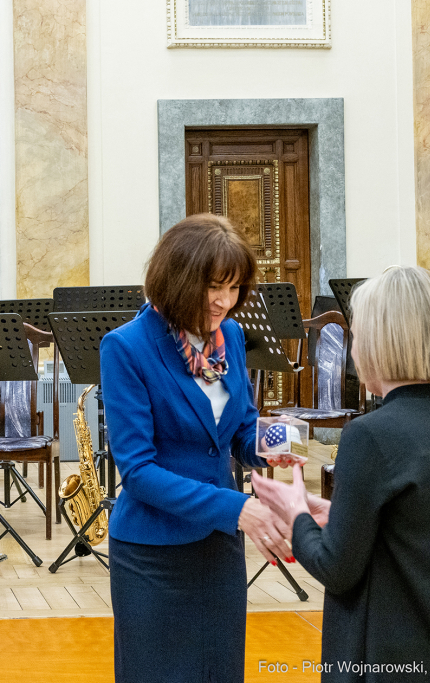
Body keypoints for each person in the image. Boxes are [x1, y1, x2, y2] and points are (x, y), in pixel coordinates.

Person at [252, 266, 430, 682]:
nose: (352, 351)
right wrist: (340, 513)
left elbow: (335, 568)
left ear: (382, 342)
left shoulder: (371, 435)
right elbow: (426, 531)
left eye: (359, 335)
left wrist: (296, 514)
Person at [100, 213, 295, 683]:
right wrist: (238, 507)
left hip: (218, 548)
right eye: (213, 287)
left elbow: (239, 430)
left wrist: (273, 442)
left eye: (233, 288)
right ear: (179, 279)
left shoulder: (227, 336)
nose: (224, 301)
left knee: (220, 671)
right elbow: (139, 472)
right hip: (154, 553)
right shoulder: (125, 347)